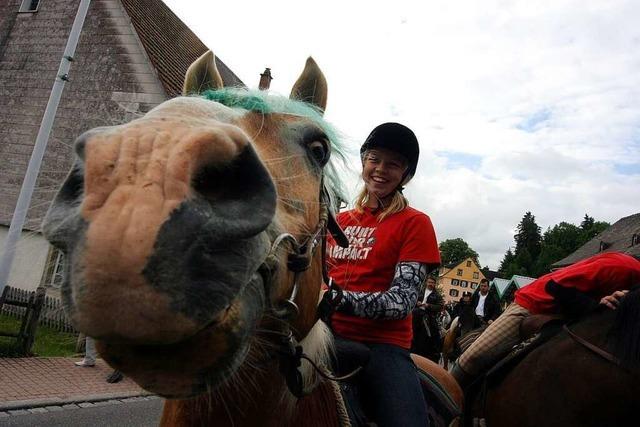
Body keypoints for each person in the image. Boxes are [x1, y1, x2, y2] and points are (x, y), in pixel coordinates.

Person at [322, 122, 441, 427]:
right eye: (374, 159)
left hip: (381, 346)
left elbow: (401, 301)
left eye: (394, 164)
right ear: (364, 162)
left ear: (406, 174)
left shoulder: (415, 223)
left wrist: (337, 300)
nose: (381, 169)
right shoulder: (338, 221)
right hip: (321, 336)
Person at [451, 252, 640, 389]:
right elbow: (555, 287)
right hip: (531, 305)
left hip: (562, 315)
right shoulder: (622, 268)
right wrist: (597, 305)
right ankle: (441, 403)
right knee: (472, 358)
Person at [412, 276, 444, 363]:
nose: (430, 284)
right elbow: (412, 299)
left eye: (432, 283)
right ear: (426, 282)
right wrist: (417, 303)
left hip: (429, 315)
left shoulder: (437, 295)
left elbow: (440, 306)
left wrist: (428, 305)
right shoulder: (420, 291)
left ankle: (434, 351)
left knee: (434, 333)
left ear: (435, 284)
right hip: (417, 312)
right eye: (429, 282)